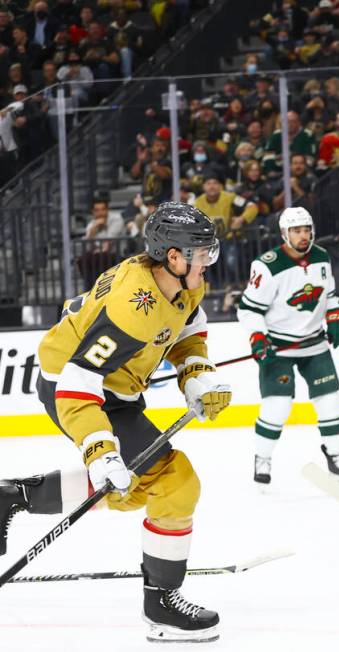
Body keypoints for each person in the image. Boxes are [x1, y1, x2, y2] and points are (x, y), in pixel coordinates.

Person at [0, 203, 230, 641]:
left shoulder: (183, 282)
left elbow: (186, 330)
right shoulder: (133, 306)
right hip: (75, 386)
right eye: (201, 253)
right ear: (173, 257)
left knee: (141, 484)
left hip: (115, 389)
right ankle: (161, 605)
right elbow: (76, 383)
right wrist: (99, 450)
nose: (208, 261)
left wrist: (196, 375)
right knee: (175, 482)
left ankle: (16, 495)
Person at [237, 207, 339, 485]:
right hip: (279, 348)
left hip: (314, 344)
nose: (303, 235)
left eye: (306, 229)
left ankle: (336, 457)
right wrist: (258, 337)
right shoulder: (267, 266)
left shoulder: (321, 257)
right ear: (285, 234)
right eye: (296, 231)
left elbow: (328, 296)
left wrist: (337, 315)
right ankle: (263, 458)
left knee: (329, 402)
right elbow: (248, 310)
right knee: (278, 406)